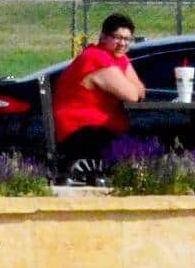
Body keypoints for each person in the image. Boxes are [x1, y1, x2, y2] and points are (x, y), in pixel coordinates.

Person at [50, 13, 145, 172]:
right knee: (148, 146)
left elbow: (140, 89)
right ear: (103, 37)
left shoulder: (116, 57)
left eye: (127, 39)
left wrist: (131, 84)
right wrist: (131, 86)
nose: (122, 43)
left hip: (100, 129)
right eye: (118, 38)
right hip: (81, 131)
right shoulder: (95, 58)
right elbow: (133, 95)